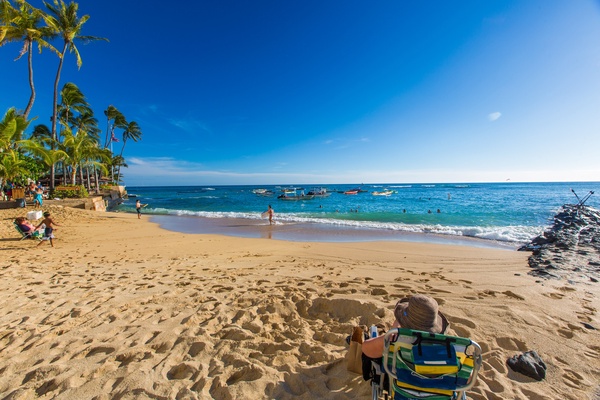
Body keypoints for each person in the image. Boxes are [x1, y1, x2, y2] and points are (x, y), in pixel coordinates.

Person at [362, 294, 449, 358]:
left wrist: (394, 329)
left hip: (401, 378)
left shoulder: (397, 338)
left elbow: (366, 349)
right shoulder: (446, 346)